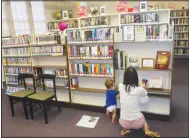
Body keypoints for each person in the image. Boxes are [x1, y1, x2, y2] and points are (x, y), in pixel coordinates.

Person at [118, 66, 160, 137]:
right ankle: (147, 130)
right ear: (136, 78)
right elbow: (145, 96)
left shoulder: (120, 86)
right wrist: (144, 88)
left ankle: (126, 129)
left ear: (125, 77)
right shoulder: (139, 89)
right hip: (138, 123)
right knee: (142, 116)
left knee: (126, 114)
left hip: (123, 122)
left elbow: (127, 91)